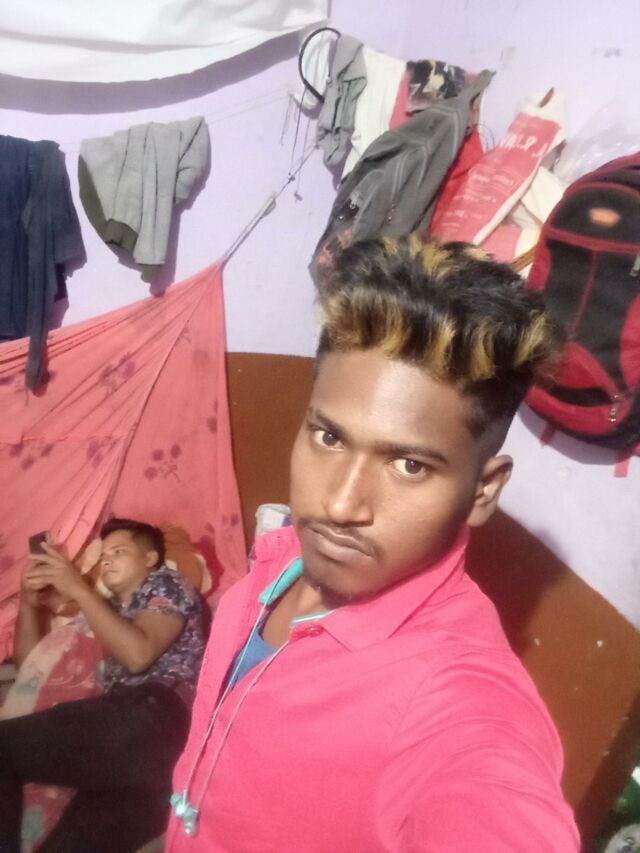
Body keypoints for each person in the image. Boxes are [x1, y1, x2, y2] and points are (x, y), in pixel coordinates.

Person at [166, 236, 580, 852]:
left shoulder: (455, 700)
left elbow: (491, 792)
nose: (339, 505)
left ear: (483, 490)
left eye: (409, 465)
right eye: (329, 438)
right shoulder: (276, 567)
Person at [0, 518, 205, 853]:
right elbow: (31, 666)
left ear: (150, 558)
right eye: (104, 554)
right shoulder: (103, 613)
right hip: (139, 767)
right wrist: (28, 602)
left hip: (155, 720)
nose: (107, 559)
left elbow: (138, 654)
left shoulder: (167, 582)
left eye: (119, 551)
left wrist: (79, 589)